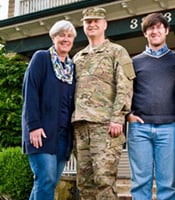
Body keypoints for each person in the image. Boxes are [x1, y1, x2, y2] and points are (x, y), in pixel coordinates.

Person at [72, 7, 135, 200]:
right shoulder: (78, 57)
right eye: (88, 22)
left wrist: (118, 117)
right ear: (83, 26)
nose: (92, 24)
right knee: (84, 183)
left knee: (104, 182)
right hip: (80, 127)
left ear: (105, 24)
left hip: (105, 127)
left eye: (96, 21)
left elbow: (125, 86)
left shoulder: (117, 52)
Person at [127, 13, 175, 200]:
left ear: (166, 31)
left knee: (168, 184)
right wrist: (128, 115)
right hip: (140, 128)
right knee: (140, 183)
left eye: (159, 27)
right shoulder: (135, 62)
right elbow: (125, 92)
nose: (155, 31)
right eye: (151, 28)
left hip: (170, 127)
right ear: (145, 33)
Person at [21, 20, 77, 200]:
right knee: (46, 179)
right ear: (53, 37)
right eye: (61, 35)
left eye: (69, 36)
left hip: (62, 135)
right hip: (41, 133)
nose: (65, 39)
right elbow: (30, 92)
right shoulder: (41, 58)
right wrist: (34, 126)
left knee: (47, 183)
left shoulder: (71, 68)